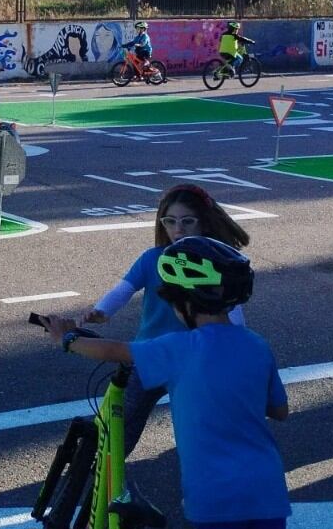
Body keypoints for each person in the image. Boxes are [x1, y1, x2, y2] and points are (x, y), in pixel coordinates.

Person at [44, 238, 310, 529]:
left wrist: (65, 338)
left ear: (185, 303)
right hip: (266, 491)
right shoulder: (257, 345)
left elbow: (114, 352)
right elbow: (279, 410)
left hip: (213, 497)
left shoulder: (179, 348)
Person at [83, 184, 251, 459]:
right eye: (170, 221)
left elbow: (230, 310)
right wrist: (102, 311)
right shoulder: (153, 258)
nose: (178, 229)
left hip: (193, 362)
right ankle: (104, 473)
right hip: (148, 357)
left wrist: (235, 347)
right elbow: (124, 289)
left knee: (199, 430)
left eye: (187, 221)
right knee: (121, 428)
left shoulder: (215, 264)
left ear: (204, 221)